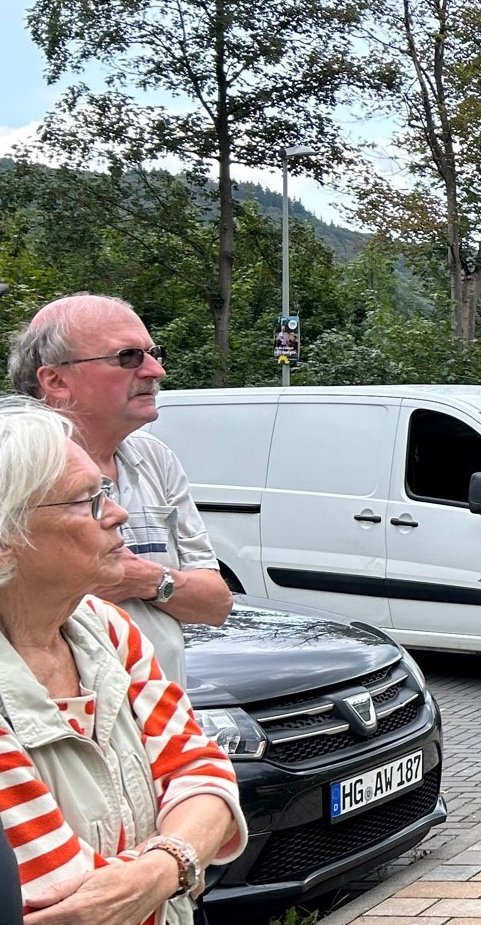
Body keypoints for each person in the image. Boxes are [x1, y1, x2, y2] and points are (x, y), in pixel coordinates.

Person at [0, 398, 245, 924]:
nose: (118, 513)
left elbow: (205, 773)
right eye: (86, 502)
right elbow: (75, 904)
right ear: (5, 542)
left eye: (104, 492)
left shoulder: (104, 624)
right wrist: (185, 854)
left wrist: (159, 871)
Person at [7, 294, 231, 685]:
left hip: (160, 726)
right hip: (55, 729)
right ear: (55, 380)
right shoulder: (14, 470)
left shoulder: (154, 459)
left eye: (152, 352)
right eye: (128, 357)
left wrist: (143, 579)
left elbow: (215, 603)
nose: (155, 370)